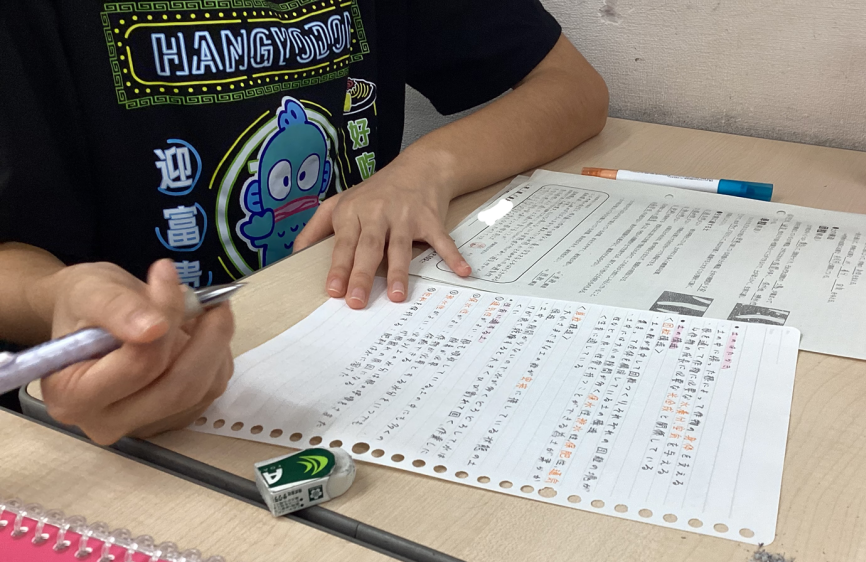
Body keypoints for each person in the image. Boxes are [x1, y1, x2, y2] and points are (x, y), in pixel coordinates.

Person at [0, 1, 608, 445]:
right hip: (118, 417)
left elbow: (572, 88)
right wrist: (53, 296)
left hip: (355, 342)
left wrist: (426, 169)